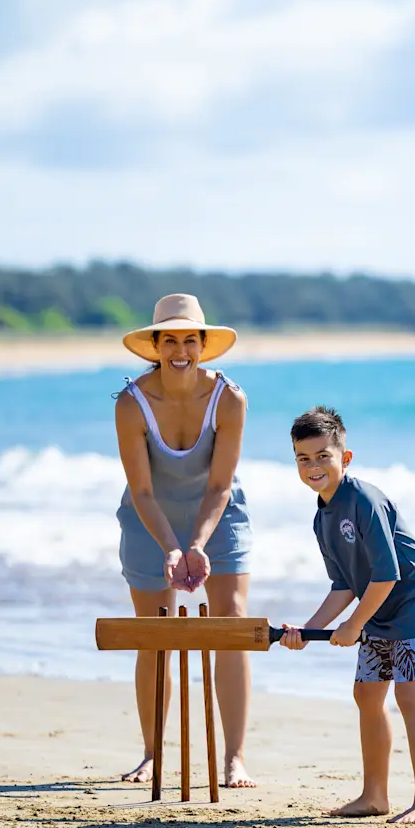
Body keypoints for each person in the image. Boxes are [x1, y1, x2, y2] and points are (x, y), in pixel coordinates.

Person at [114, 293, 257, 788]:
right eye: (170, 341)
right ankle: (152, 754)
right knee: (154, 633)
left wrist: (195, 544)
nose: (181, 351)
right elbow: (142, 490)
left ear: (202, 344)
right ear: (155, 346)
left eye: (190, 340)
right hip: (149, 518)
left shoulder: (229, 399)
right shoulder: (131, 403)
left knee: (231, 623)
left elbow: (219, 486)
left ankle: (235, 757)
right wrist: (171, 547)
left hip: (218, 514)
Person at [279, 405, 415, 824]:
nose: (313, 466)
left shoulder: (364, 500)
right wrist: (309, 630)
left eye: (323, 456)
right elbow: (344, 585)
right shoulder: (322, 517)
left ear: (345, 457)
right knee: (367, 695)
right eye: (303, 458)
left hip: (413, 602)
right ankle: (374, 796)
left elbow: (387, 575)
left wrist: (354, 625)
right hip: (377, 605)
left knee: (409, 695)